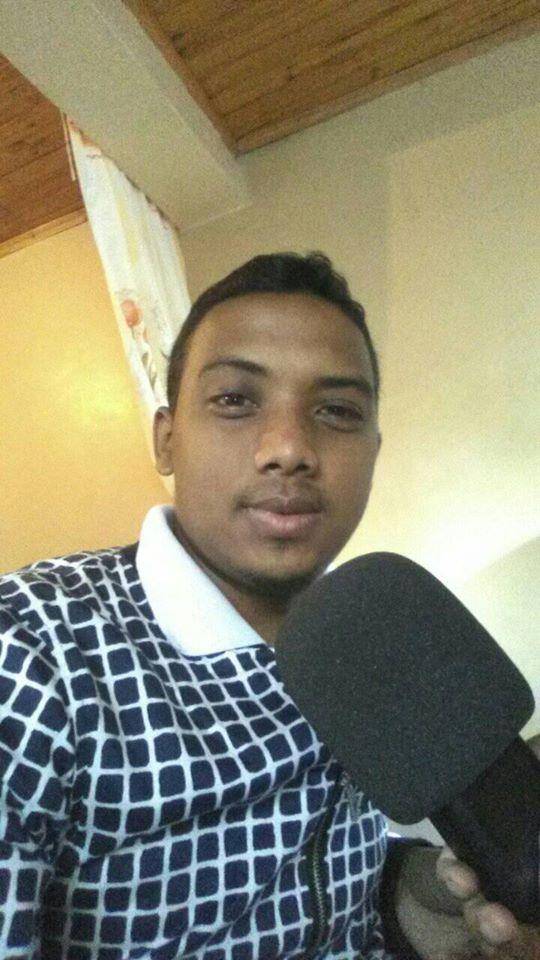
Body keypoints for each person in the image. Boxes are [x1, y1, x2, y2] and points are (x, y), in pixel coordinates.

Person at [0, 252, 536, 959]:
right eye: (234, 401)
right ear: (166, 439)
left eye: (336, 411)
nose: (288, 449)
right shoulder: (30, 649)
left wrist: (408, 903)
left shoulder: (372, 631)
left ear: (374, 450)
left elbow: (323, 865)